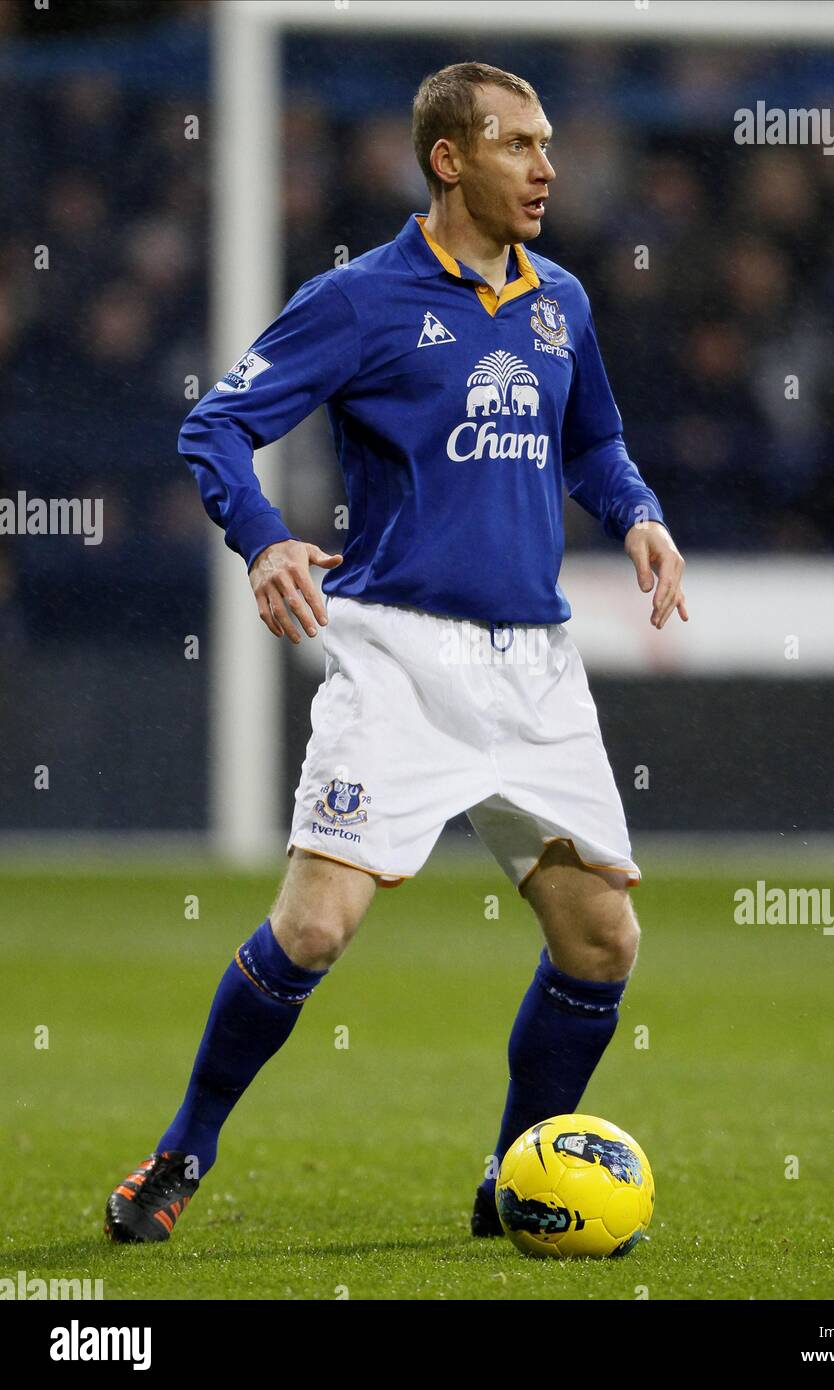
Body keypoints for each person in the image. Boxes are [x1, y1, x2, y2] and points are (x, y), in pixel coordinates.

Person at [104, 60, 687, 1244]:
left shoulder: (558, 300)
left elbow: (596, 438)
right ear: (448, 158)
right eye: (519, 144)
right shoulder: (361, 300)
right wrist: (264, 540)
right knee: (314, 927)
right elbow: (215, 422)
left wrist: (635, 510)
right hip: (398, 656)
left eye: (547, 142)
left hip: (536, 665)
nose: (546, 166)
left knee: (601, 938)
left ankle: (509, 1178)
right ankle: (180, 1152)